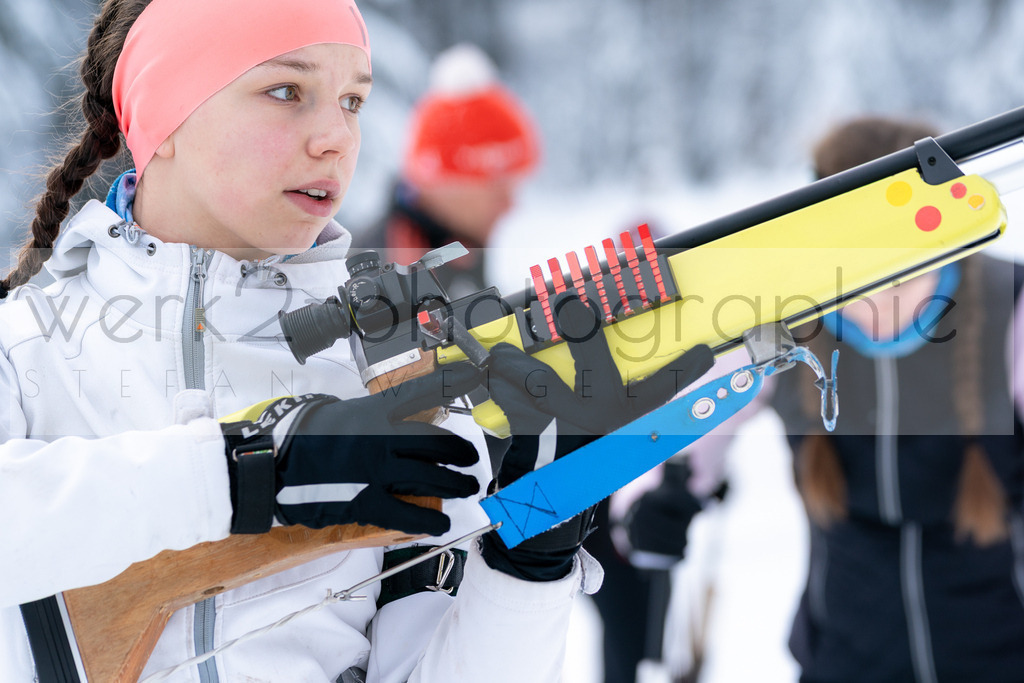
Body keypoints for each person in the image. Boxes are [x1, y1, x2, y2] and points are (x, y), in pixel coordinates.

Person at [0, 2, 714, 681]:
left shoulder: (393, 364)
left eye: (353, 101)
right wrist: (242, 473)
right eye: (287, 91)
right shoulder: (24, 340)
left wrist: (528, 563)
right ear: (165, 114)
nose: (337, 137)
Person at [624, 115, 1024, 683]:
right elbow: (664, 445)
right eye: (860, 261)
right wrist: (656, 503)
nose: (884, 289)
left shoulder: (1010, 308)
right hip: (841, 659)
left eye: (906, 256)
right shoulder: (775, 325)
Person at [353, 42, 540, 299]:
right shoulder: (373, 275)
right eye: (497, 190)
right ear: (445, 184)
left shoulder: (458, 249)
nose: (510, 205)